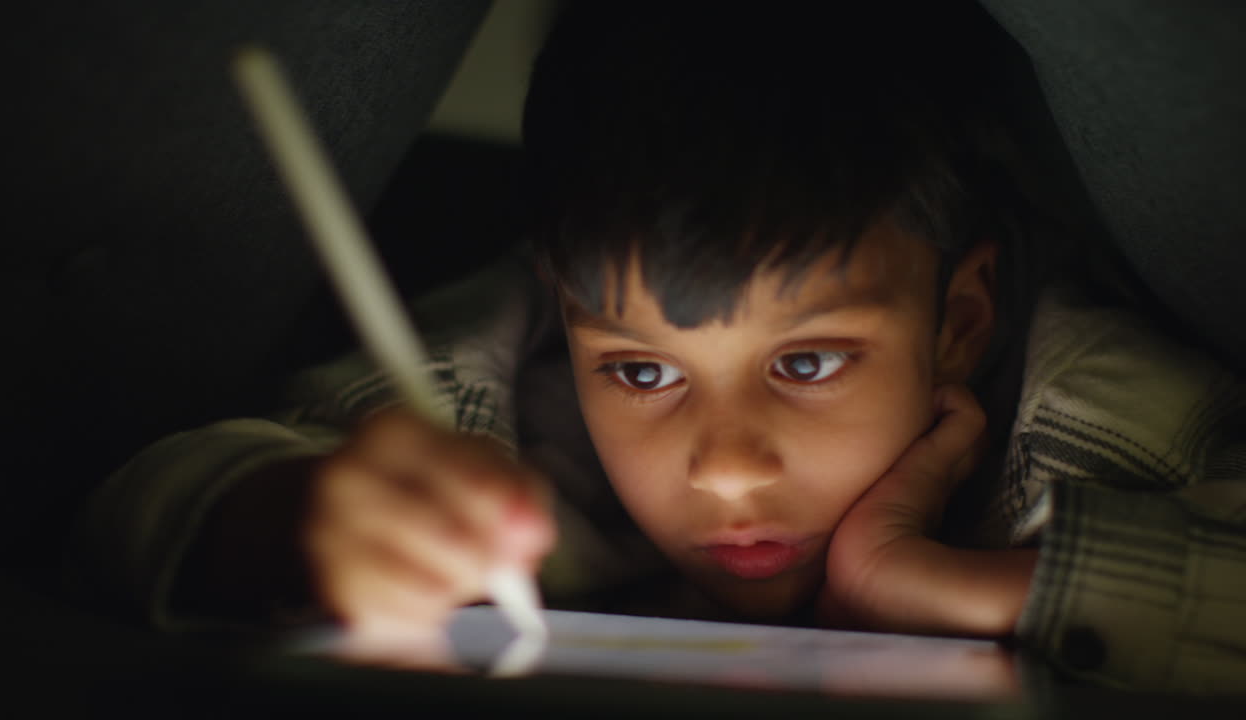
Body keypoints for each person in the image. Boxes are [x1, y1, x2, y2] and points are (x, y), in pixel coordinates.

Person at [68, 1, 1246, 691]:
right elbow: (131, 505)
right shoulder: (477, 394)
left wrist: (958, 587)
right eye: (638, 372)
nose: (723, 469)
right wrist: (300, 517)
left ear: (961, 322)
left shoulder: (1117, 414)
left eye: (807, 362)